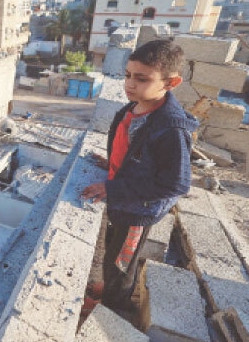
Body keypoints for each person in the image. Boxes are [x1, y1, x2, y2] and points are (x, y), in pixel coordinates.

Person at [81, 39, 199, 311]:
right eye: (128, 76)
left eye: (142, 79)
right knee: (112, 251)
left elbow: (176, 183)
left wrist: (113, 188)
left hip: (138, 210)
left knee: (121, 264)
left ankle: (111, 310)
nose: (130, 84)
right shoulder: (133, 108)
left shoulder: (171, 129)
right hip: (124, 200)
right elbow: (132, 151)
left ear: (171, 83)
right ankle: (103, 291)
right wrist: (112, 166)